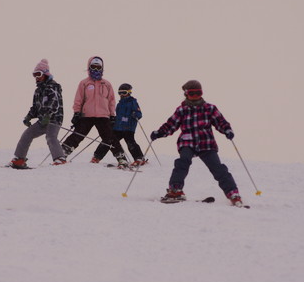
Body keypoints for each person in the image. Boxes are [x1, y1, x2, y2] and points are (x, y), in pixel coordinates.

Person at [150, 79, 243, 207]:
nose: (195, 97)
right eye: (192, 93)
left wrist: (226, 129)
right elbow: (171, 124)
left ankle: (233, 193)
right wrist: (159, 133)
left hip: (206, 143)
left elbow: (220, 121)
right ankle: (175, 190)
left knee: (218, 168)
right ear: (186, 94)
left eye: (198, 93)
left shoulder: (209, 108)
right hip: (187, 142)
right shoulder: (182, 110)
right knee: (183, 162)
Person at [61, 56, 128, 167]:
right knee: (78, 134)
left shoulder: (106, 84)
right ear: (89, 67)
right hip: (86, 115)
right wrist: (76, 113)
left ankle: (121, 158)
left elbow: (111, 101)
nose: (96, 70)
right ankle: (62, 154)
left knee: (110, 137)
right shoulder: (84, 83)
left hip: (103, 116)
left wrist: (112, 115)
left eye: (98, 67)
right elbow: (78, 99)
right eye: (93, 67)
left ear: (102, 68)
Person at [8, 59, 66, 169]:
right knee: (27, 134)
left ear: (45, 74)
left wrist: (47, 116)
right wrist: (29, 116)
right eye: (34, 74)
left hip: (54, 119)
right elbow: (35, 107)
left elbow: (54, 104)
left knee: (50, 136)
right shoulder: (38, 91)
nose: (36, 77)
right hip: (42, 120)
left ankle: (60, 159)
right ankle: (19, 159)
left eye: (38, 74)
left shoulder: (53, 87)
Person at [91, 83, 147, 166]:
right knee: (108, 141)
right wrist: (113, 120)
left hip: (128, 127)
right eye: (119, 93)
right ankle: (97, 156)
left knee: (130, 143)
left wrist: (136, 114)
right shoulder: (119, 104)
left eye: (124, 92)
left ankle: (139, 158)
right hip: (118, 128)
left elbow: (139, 114)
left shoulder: (133, 102)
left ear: (129, 92)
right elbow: (118, 115)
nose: (122, 95)